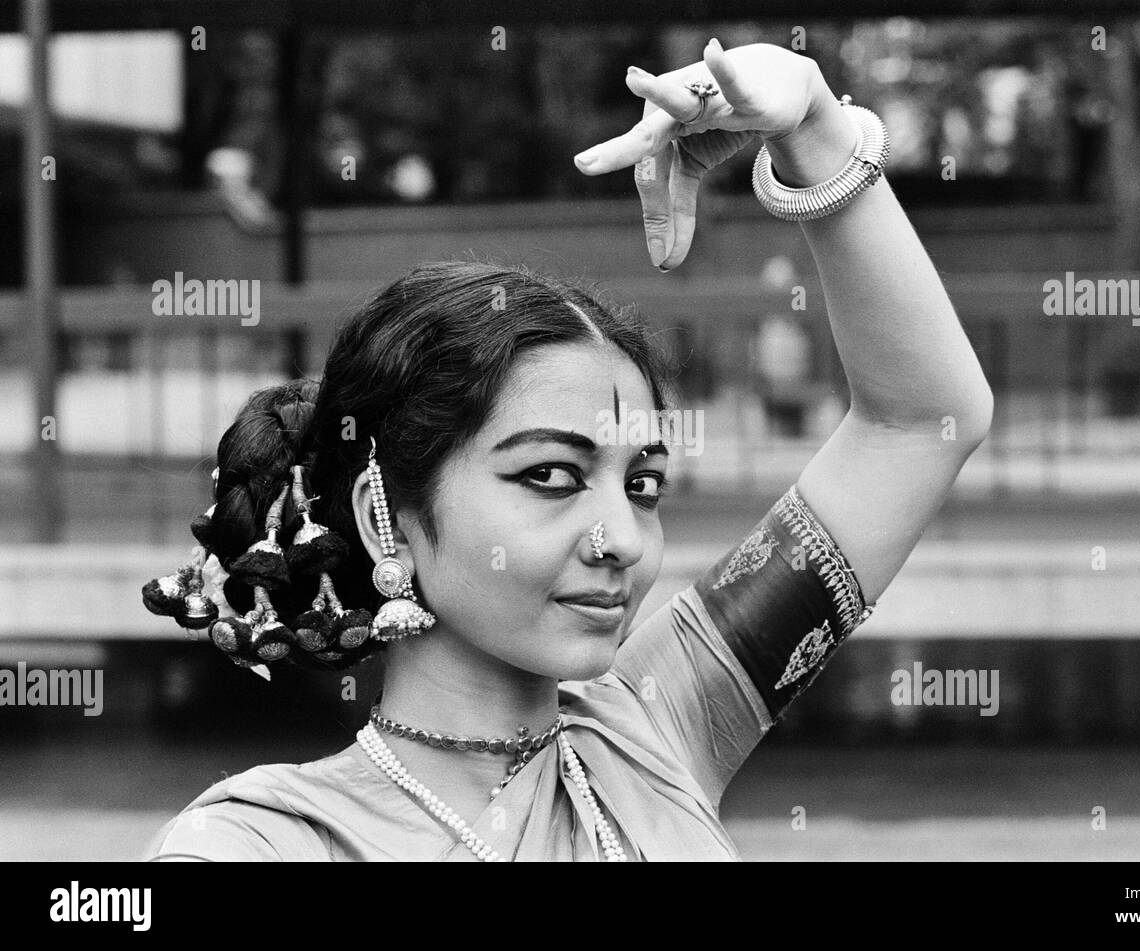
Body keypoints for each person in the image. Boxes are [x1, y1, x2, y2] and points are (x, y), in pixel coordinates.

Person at [141, 40, 992, 861]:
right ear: (383, 514)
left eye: (645, 482)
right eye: (550, 476)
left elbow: (921, 424)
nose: (620, 537)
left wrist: (813, 125)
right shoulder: (265, 841)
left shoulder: (655, 725)